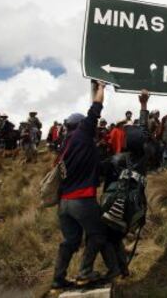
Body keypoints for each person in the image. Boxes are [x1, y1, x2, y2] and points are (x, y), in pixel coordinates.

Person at [52, 80, 119, 289]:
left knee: (70, 241)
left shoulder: (64, 146)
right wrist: (101, 87)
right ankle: (85, 272)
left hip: (64, 204)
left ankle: (58, 279)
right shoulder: (82, 134)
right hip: (82, 199)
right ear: (80, 126)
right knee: (98, 234)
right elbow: (96, 109)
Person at [101, 89, 150, 277]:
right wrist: (143, 105)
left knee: (106, 237)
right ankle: (123, 270)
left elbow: (104, 184)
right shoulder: (144, 157)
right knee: (117, 237)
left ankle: (115, 270)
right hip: (137, 209)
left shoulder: (116, 160)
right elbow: (144, 131)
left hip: (118, 209)